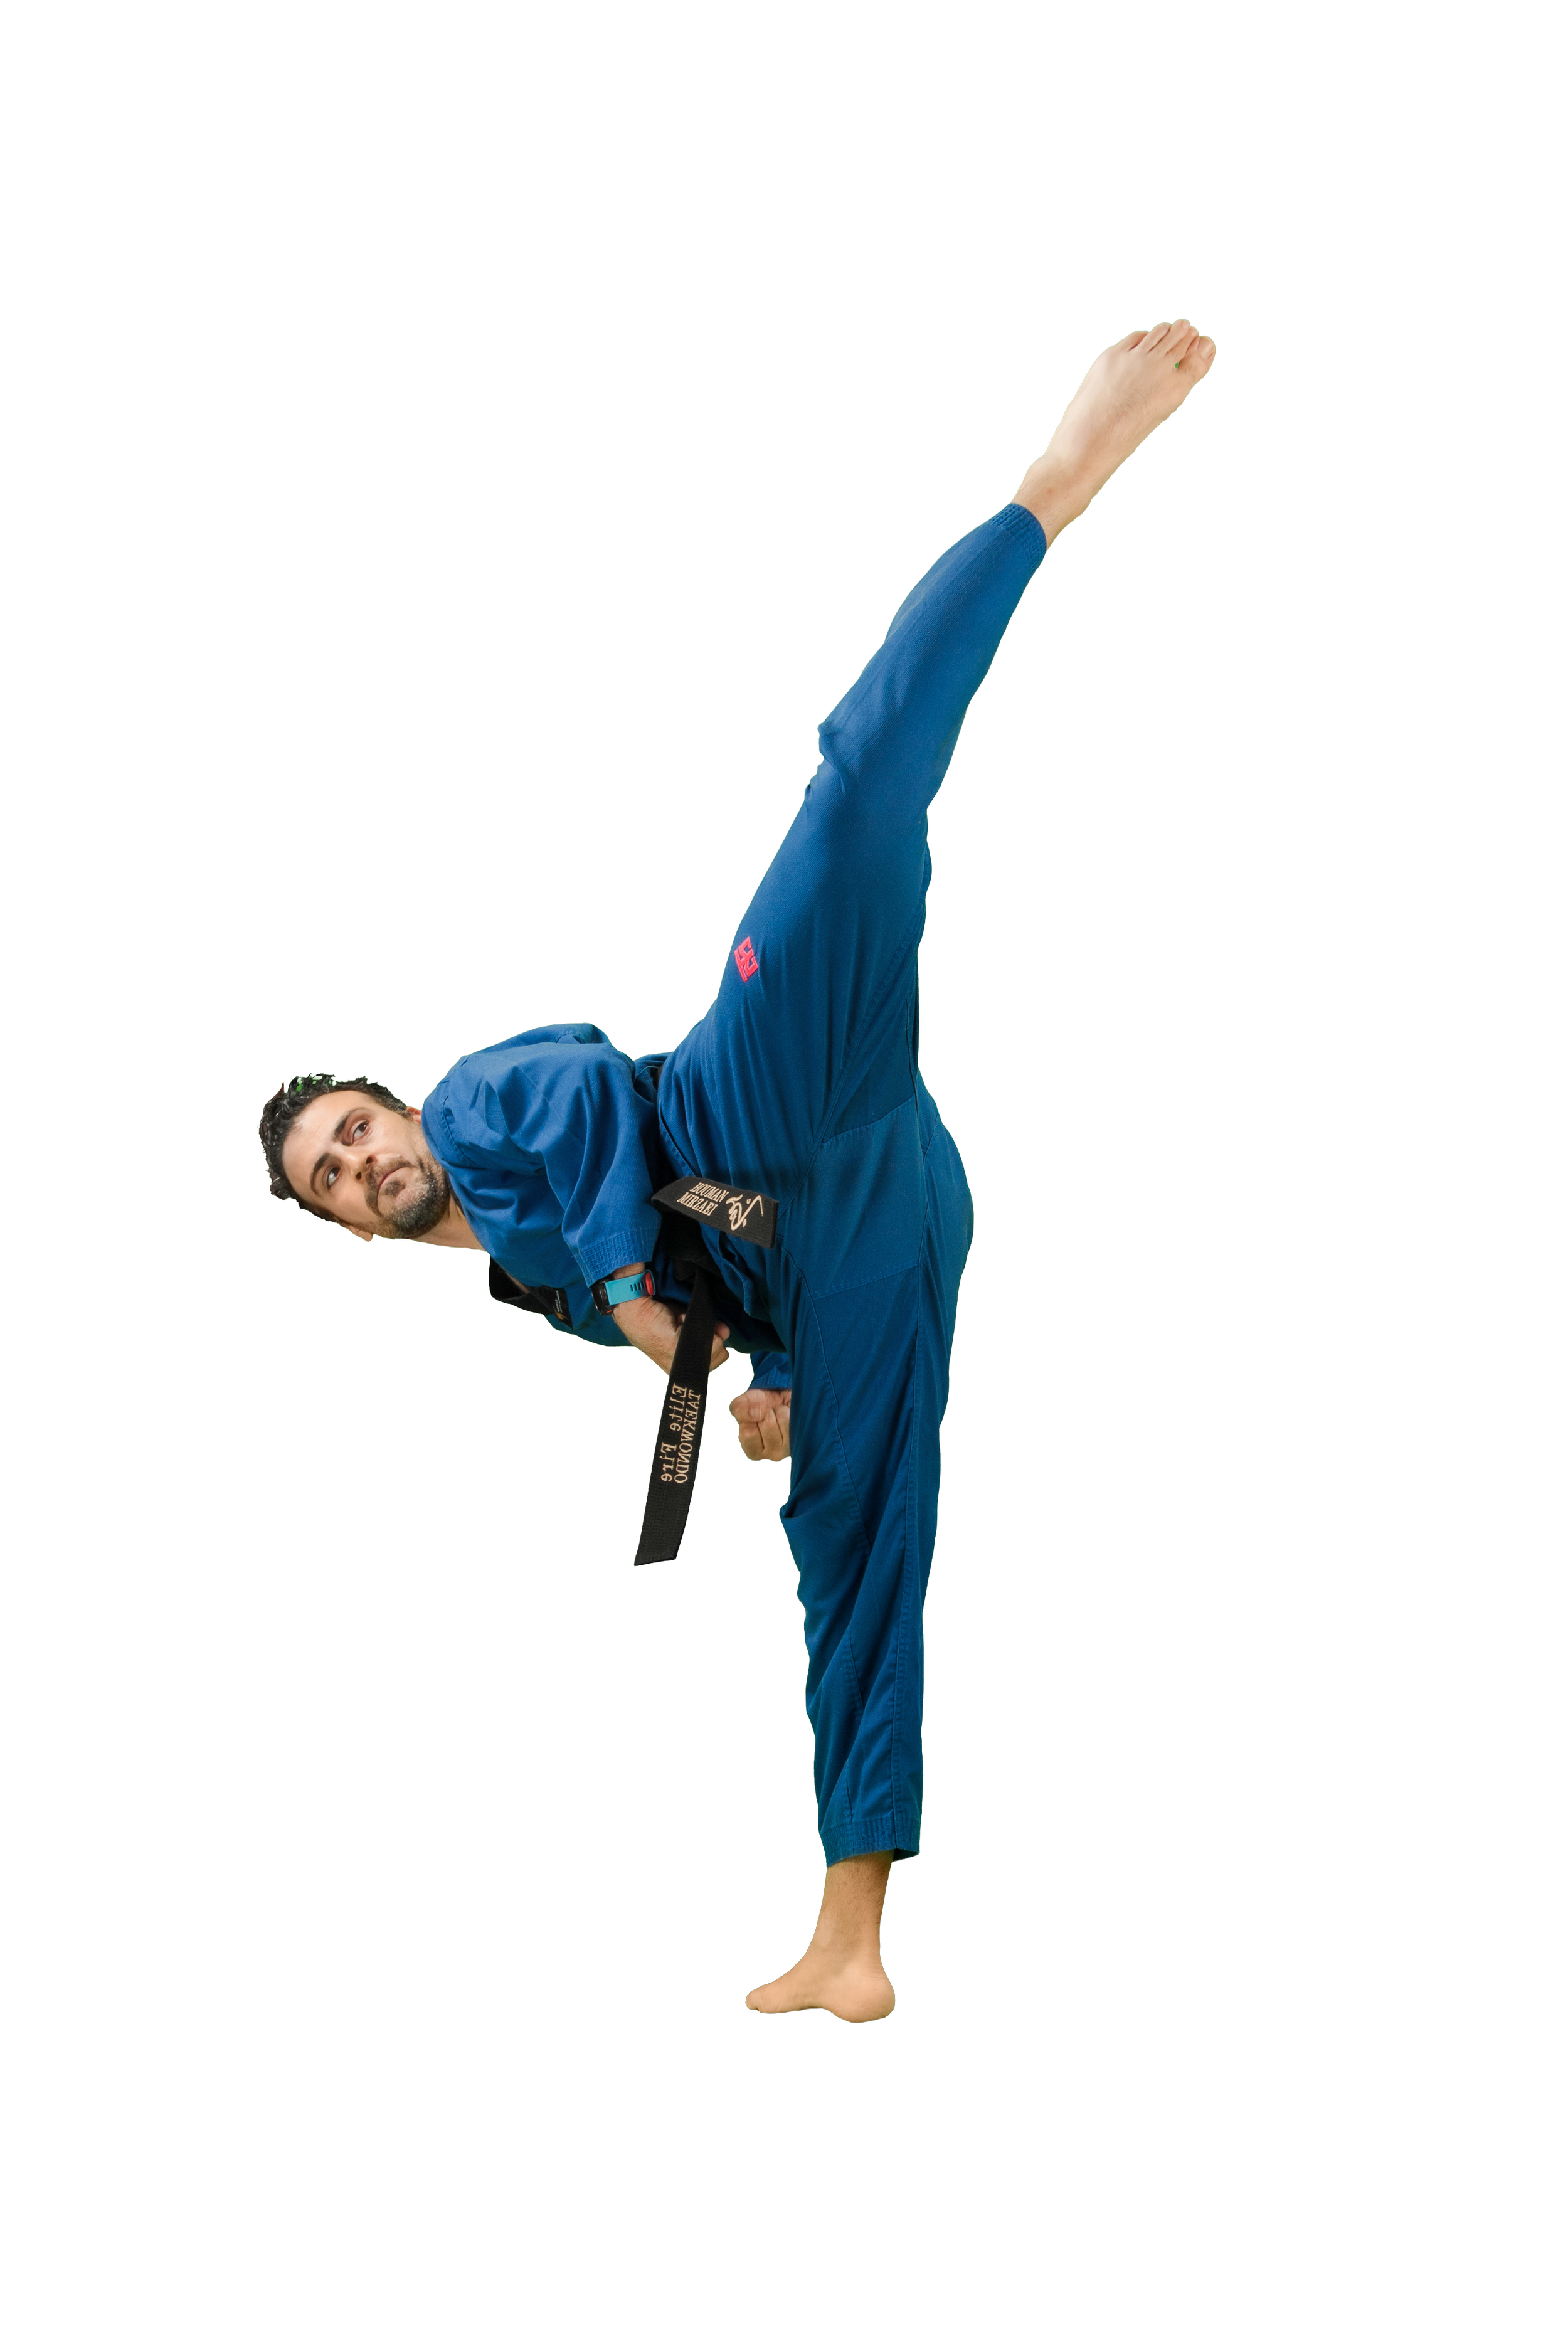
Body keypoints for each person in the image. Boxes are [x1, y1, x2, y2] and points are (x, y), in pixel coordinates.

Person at [260, 322, 1218, 2023]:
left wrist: (645, 1309)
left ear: (393, 1110)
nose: (361, 1160)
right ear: (348, 1222)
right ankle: (852, 1936)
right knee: (852, 1541)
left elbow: (596, 1116)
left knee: (849, 807)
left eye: (353, 1128)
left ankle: (1053, 484)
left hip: (748, 1097)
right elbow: (685, 1315)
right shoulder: (535, 1287)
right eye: (334, 1176)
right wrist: (737, 1383)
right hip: (851, 1239)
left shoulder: (479, 1102)